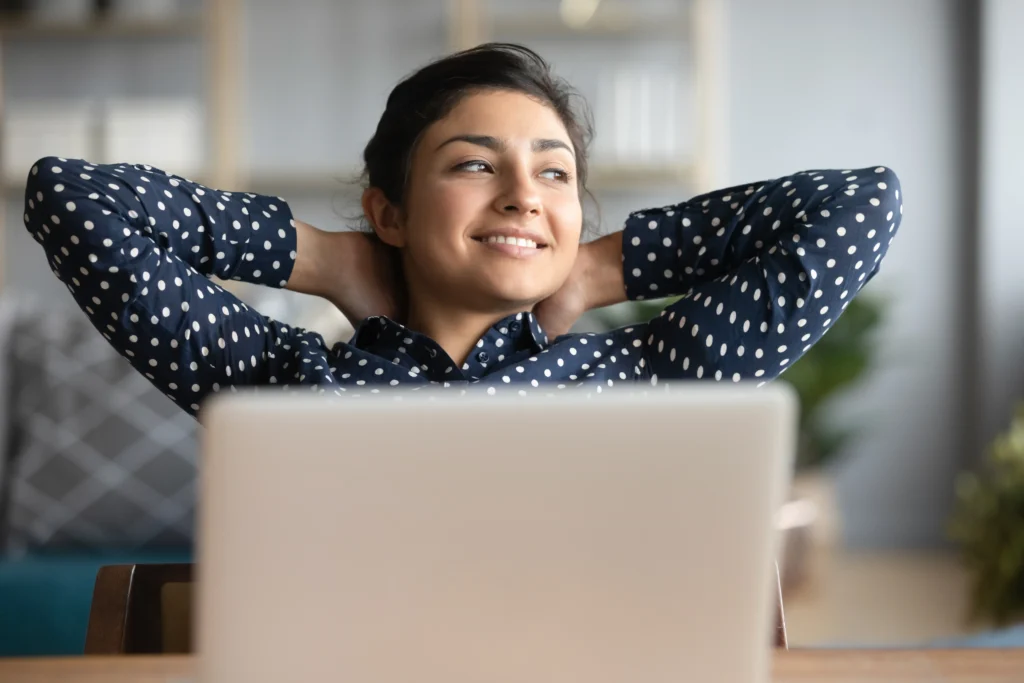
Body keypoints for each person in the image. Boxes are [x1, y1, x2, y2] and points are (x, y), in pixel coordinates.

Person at [22, 43, 901, 416]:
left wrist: (597, 271)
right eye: (477, 164)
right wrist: (327, 260)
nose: (525, 194)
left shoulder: (649, 373)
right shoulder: (279, 380)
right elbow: (70, 197)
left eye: (555, 173)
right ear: (389, 212)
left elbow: (863, 203)